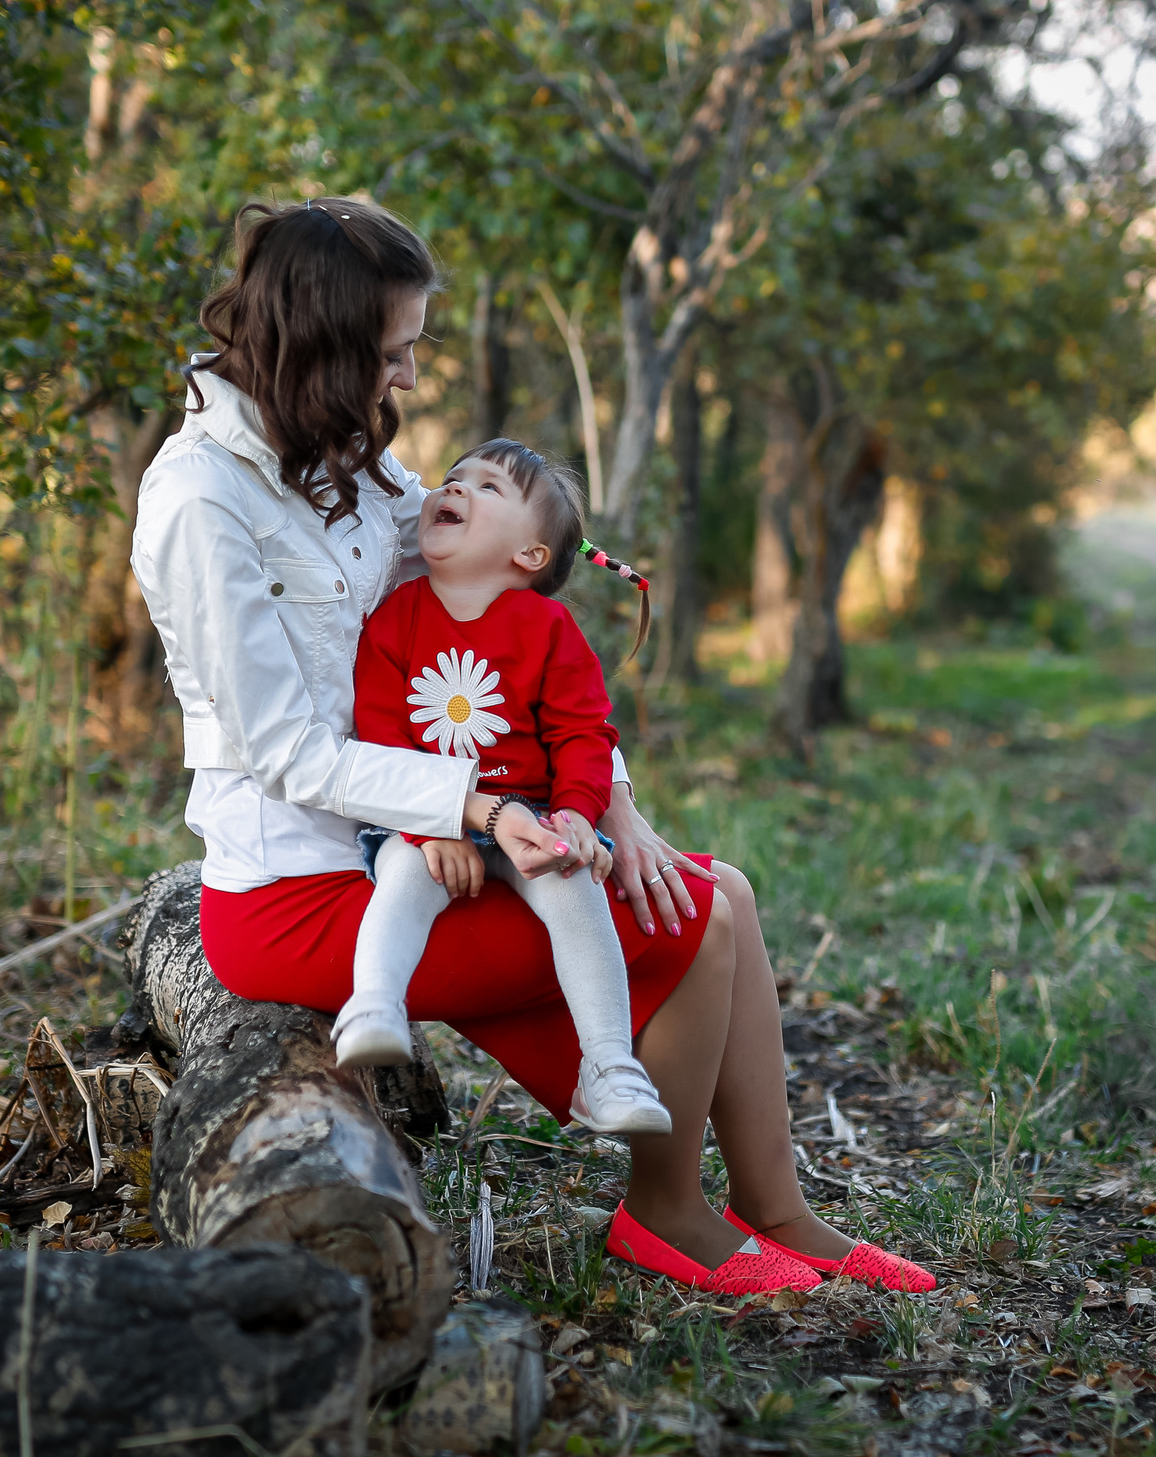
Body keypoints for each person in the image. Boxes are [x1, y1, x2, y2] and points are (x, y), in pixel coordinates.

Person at [129, 195, 934, 1296]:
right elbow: (286, 754)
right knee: (693, 919)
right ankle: (667, 1214)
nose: (409, 380)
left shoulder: (349, 468)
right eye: (396, 352)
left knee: (725, 891)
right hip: (295, 896)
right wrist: (476, 808)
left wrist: (613, 806)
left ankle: (780, 1209)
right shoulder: (201, 501)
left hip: (405, 846)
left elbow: (501, 608)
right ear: (325, 343)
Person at [335, 436, 671, 1141]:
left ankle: (608, 1066)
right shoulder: (394, 619)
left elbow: (583, 733)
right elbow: (381, 738)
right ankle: (373, 1005)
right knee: (400, 873)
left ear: (530, 555)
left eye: (487, 488)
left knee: (573, 886)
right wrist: (433, 830)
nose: (454, 488)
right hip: (425, 816)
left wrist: (580, 816)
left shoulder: (550, 629)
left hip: (538, 812)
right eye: (454, 478)